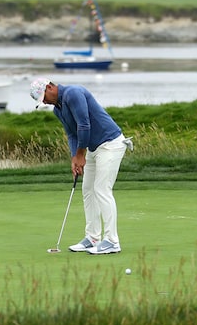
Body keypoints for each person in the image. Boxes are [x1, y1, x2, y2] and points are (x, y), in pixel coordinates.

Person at [30, 78, 133, 255]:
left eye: (43, 97)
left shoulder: (73, 93)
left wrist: (80, 155)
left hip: (110, 144)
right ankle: (93, 238)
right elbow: (72, 134)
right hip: (94, 147)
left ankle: (112, 241)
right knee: (88, 190)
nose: (44, 101)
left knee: (102, 189)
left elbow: (84, 124)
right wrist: (74, 158)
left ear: (49, 87)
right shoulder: (58, 110)